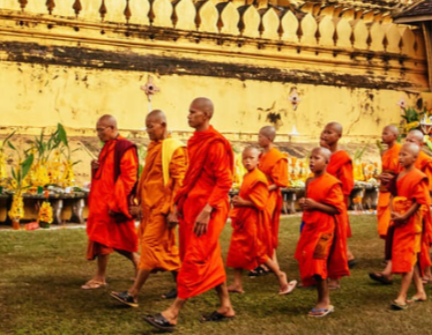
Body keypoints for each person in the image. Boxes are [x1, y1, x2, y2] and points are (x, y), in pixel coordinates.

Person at [144, 98, 235, 331]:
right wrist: (179, 205)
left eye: (193, 112)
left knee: (195, 257)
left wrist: (207, 210)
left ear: (206, 115)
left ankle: (173, 312)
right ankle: (225, 305)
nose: (188, 116)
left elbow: (225, 181)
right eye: (189, 112)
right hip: (193, 208)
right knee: (206, 255)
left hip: (209, 209)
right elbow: (191, 179)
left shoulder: (216, 144)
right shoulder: (195, 141)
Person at [111, 110, 187, 307]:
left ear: (163, 124)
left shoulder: (175, 149)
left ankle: (133, 293)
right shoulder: (154, 147)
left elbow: (180, 182)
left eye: (151, 126)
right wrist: (138, 199)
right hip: (150, 208)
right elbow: (148, 179)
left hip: (163, 209)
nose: (148, 131)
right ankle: (183, 286)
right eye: (146, 127)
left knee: (150, 248)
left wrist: (174, 210)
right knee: (167, 251)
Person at [226, 146, 296, 296]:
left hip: (252, 221)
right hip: (243, 220)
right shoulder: (247, 176)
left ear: (258, 160)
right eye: (245, 158)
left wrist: (242, 202)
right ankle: (237, 283)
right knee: (236, 251)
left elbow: (261, 202)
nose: (247, 161)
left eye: (251, 158)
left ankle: (281, 277)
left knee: (259, 253)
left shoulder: (259, 178)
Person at [82, 115, 139, 290]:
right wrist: (95, 167)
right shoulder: (108, 147)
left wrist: (116, 203)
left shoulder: (125, 147)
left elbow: (128, 177)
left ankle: (103, 276)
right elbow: (106, 174)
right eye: (97, 130)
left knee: (113, 239)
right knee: (103, 239)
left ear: (113, 128)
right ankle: (135, 263)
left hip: (113, 203)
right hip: (101, 202)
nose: (98, 133)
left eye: (101, 129)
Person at [295, 147, 348, 318]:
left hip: (325, 229)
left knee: (318, 261)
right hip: (310, 227)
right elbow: (310, 200)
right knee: (309, 259)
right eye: (310, 158)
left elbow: (336, 209)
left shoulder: (332, 182)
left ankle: (324, 301)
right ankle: (321, 297)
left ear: (326, 162)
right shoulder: (310, 182)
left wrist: (315, 205)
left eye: (316, 158)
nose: (312, 161)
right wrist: (304, 202)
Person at [387, 142, 432, 310]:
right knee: (408, 258)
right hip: (399, 221)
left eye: (405, 155)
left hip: (411, 223)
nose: (400, 158)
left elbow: (420, 201)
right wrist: (393, 212)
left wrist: (405, 216)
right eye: (400, 155)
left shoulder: (418, 176)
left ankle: (402, 296)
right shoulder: (399, 175)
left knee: (407, 259)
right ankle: (420, 291)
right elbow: (393, 195)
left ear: (415, 158)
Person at [320, 121, 355, 275]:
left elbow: (347, 185)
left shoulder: (342, 158)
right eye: (324, 132)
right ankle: (345, 257)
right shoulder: (323, 156)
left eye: (330, 132)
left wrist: (335, 200)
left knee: (332, 236)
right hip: (320, 202)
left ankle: (334, 264)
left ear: (339, 136)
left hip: (335, 203)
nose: (325, 135)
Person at [404, 128, 432, 282]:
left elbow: (427, 187)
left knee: (421, 241)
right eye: (406, 139)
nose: (407, 143)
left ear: (421, 145)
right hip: (404, 204)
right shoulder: (404, 158)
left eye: (412, 141)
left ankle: (427, 273)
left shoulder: (425, 161)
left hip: (419, 205)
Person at [257, 125, 290, 266]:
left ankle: (270, 261)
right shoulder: (261, 156)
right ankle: (263, 261)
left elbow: (281, 182)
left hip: (270, 196)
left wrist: (266, 188)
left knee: (266, 227)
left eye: (260, 137)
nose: (258, 139)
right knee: (258, 226)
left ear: (268, 139)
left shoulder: (278, 158)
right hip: (259, 194)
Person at [376, 125, 402, 240]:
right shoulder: (384, 153)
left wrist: (393, 177)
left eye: (386, 133)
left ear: (394, 136)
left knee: (390, 221)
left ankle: (391, 253)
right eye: (383, 133)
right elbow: (383, 170)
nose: (383, 136)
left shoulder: (400, 150)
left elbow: (403, 170)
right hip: (384, 188)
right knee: (383, 220)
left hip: (395, 189)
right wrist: (379, 176)